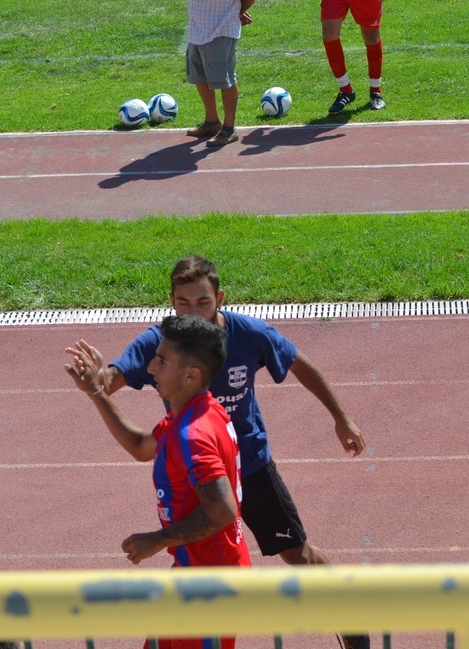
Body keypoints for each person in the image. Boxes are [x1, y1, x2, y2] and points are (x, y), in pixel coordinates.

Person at [67, 255, 370, 649]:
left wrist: (341, 418)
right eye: (183, 303)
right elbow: (114, 382)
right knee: (196, 561)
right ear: (171, 301)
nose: (194, 312)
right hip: (196, 472)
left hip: (249, 466)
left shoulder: (247, 336)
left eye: (203, 302)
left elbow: (299, 364)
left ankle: (350, 620)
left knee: (296, 554)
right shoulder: (164, 344)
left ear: (220, 298)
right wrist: (97, 382)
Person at [65, 314, 249, 649]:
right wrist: (95, 391)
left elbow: (223, 509)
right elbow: (141, 446)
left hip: (209, 589)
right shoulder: (196, 413)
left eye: (162, 361)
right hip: (195, 570)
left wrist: (158, 539)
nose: (151, 368)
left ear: (191, 375)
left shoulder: (193, 434)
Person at [183, 0, 259, 148]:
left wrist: (236, 12)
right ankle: (212, 121)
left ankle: (229, 128)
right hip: (198, 28)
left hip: (220, 29)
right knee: (200, 77)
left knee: (224, 79)